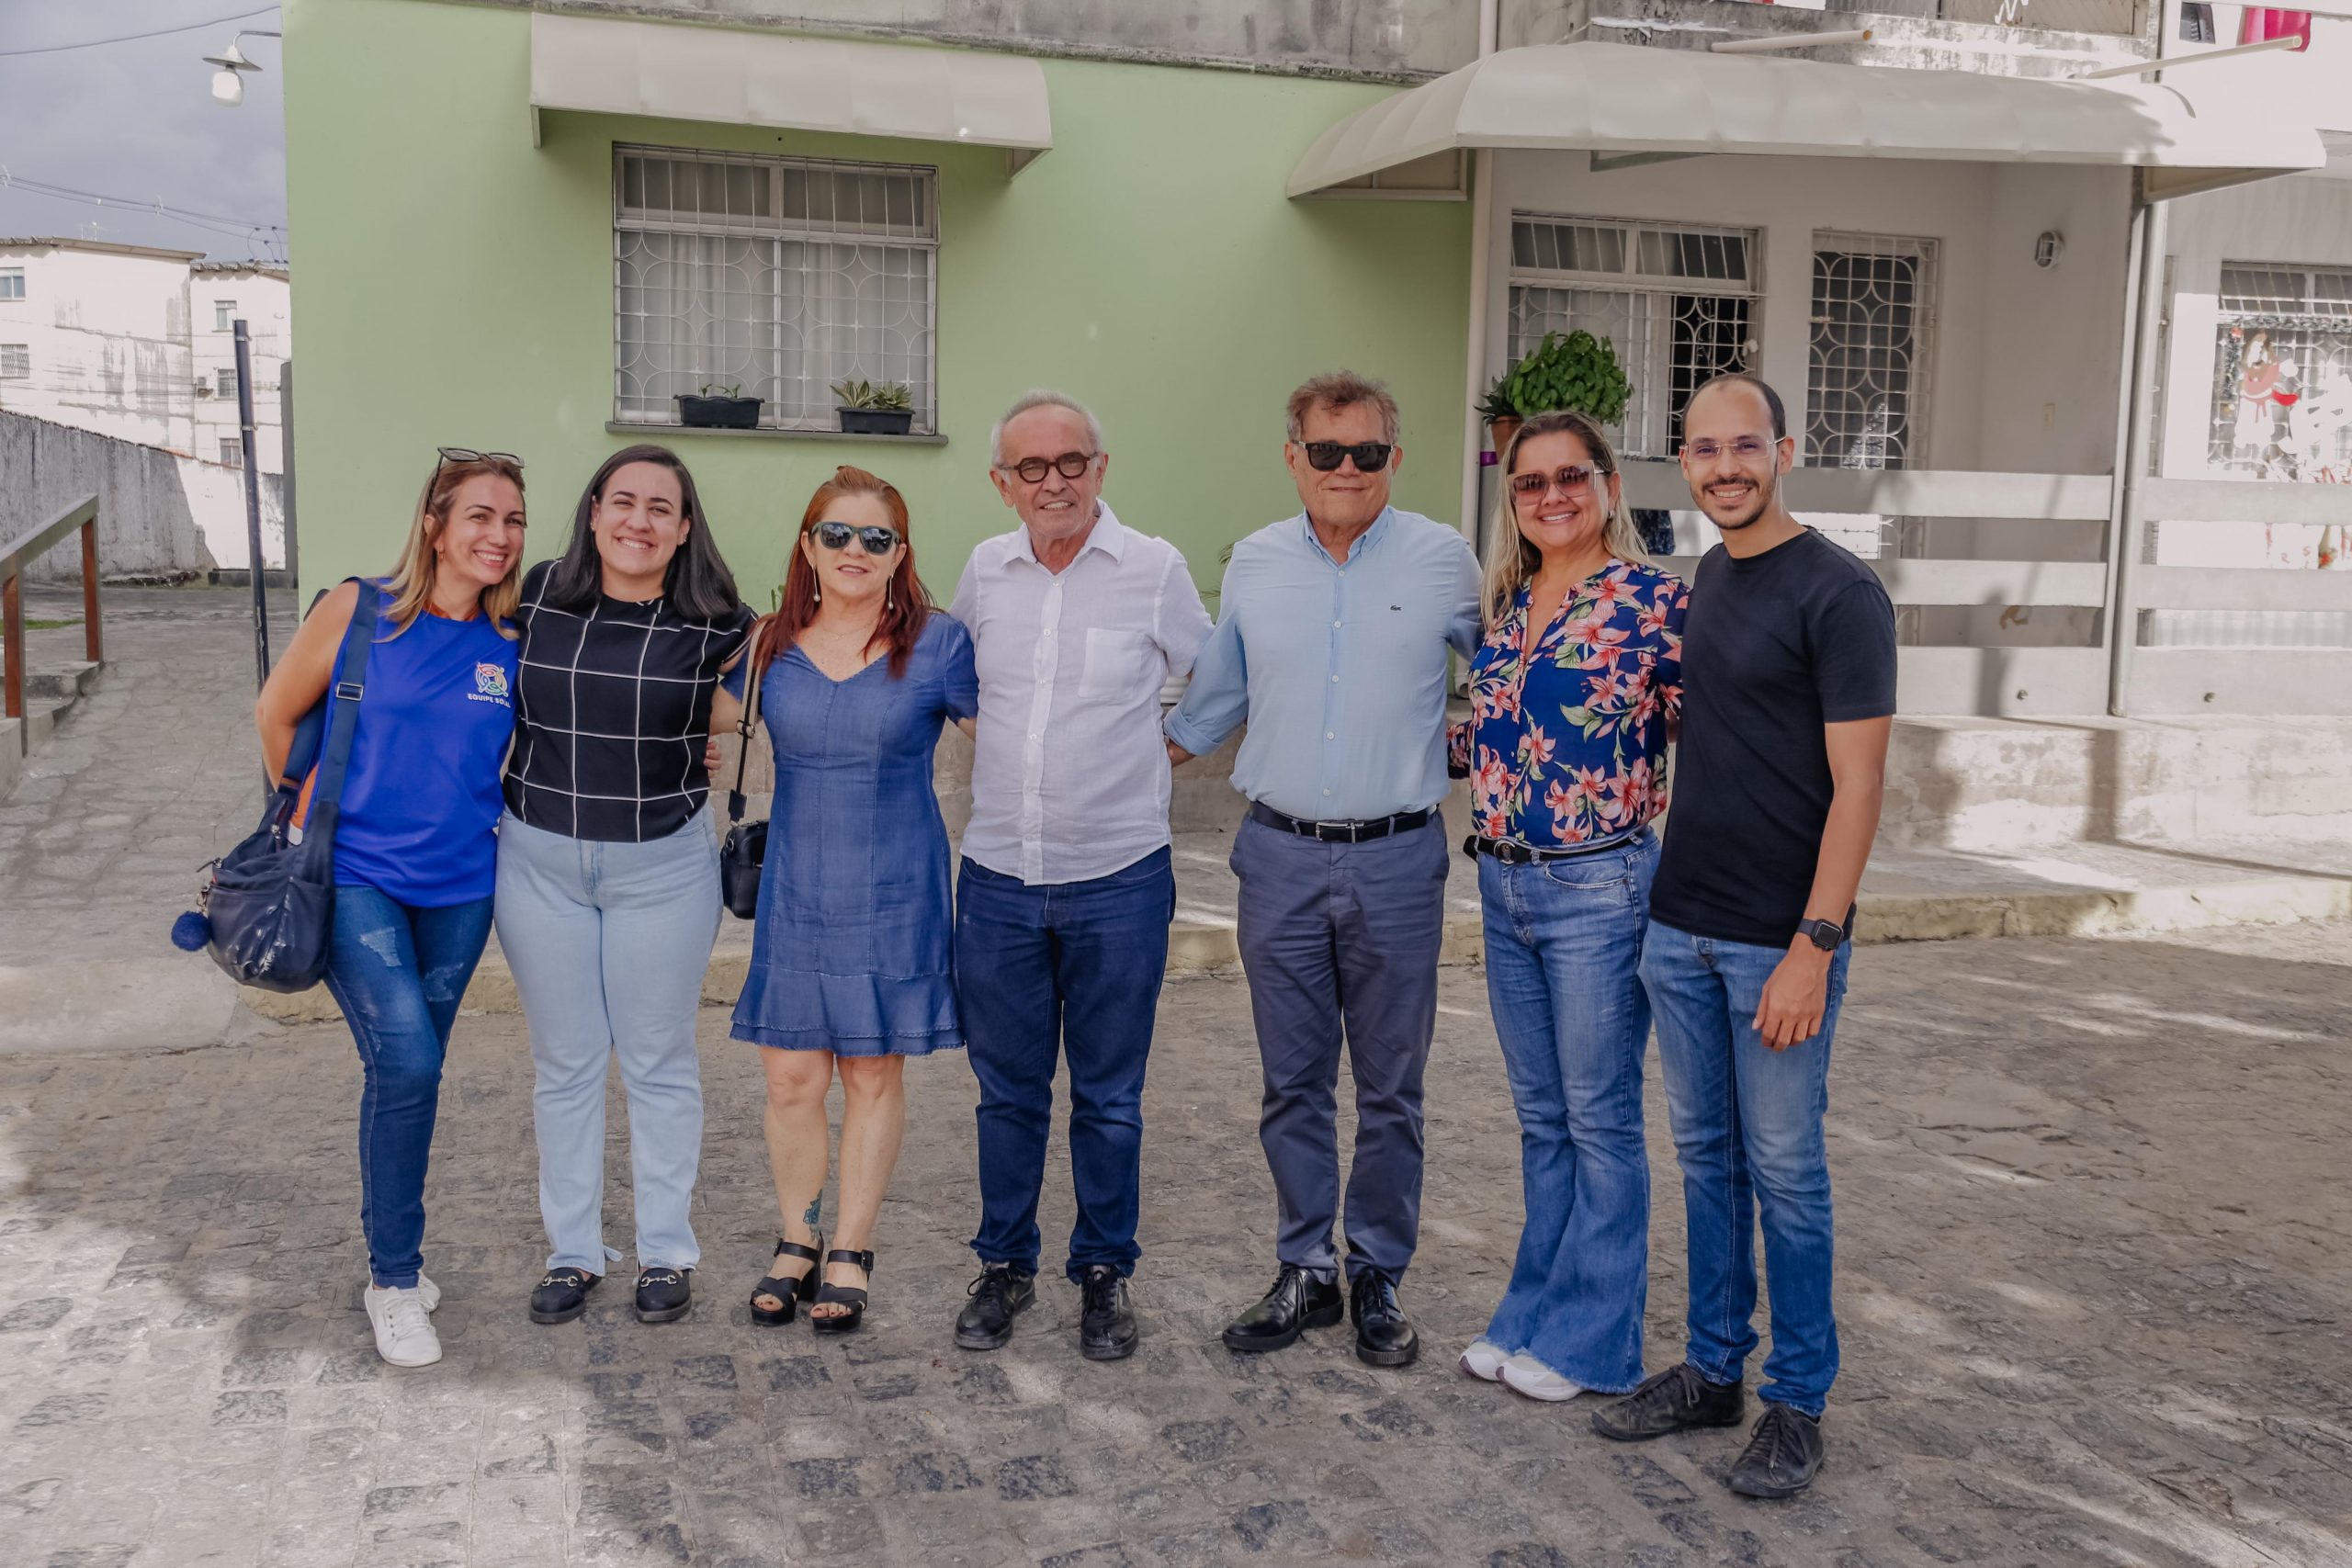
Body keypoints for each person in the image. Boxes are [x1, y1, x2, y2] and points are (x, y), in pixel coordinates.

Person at [1587, 373, 1895, 1501]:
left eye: (1744, 446)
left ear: (1784, 451)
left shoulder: (1840, 593)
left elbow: (1860, 788)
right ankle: (1714, 1368)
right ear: (1685, 462)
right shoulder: (1710, 576)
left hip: (1778, 942)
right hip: (1681, 928)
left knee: (1786, 1172)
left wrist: (1815, 944)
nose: (1724, 468)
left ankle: (1796, 1401)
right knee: (1709, 1164)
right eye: (1704, 450)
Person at [1166, 370, 1481, 1369]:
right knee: (1293, 1080)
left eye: (1368, 451)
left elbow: (1511, 672)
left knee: (1392, 1088)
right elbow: (1214, 700)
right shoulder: (1255, 563)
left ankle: (1378, 1272)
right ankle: (1305, 1266)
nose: (1347, 468)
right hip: (1279, 856)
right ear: (1293, 457)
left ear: (1395, 457)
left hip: (1398, 859)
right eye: (1327, 451)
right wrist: (1093, 762)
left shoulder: (1445, 559)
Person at [947, 390, 1213, 1361]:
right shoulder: (985, 570)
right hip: (999, 878)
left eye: (1071, 462)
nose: (1053, 481)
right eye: (1032, 467)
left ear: (1100, 468)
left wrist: (1161, 752)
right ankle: (1004, 1265)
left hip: (1118, 879)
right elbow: (955, 681)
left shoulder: (1154, 568)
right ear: (1002, 483)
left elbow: (1217, 676)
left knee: (1109, 1096)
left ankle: (1103, 1269)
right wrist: (998, 742)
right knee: (1006, 1093)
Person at [253, 447, 526, 1368]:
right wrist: (305, 815)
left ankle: (394, 1253)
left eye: (513, 520)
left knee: (410, 1074)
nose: (499, 535)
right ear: (436, 527)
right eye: (480, 516)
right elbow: (275, 713)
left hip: (463, 890)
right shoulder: (358, 610)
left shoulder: (512, 639)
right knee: (407, 1063)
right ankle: (394, 1279)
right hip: (356, 877)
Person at [1449, 411, 1688, 1404]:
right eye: (1530, 482)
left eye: (1570, 477)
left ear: (1607, 486)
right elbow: (1491, 738)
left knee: (1598, 1120)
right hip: (1502, 882)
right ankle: (1532, 1314)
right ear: (1512, 500)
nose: (1551, 495)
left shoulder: (1654, 604)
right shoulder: (1508, 608)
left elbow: (1715, 740)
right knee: (1542, 1120)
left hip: (1598, 885)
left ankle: (1593, 1343)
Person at [714, 465, 978, 1335]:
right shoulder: (768, 643)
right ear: (808, 545)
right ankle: (797, 1237)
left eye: (876, 537)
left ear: (900, 554)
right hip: (797, 885)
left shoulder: (939, 643)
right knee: (791, 1075)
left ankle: (851, 1249)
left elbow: (1013, 735)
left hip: (897, 886)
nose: (855, 549)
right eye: (837, 533)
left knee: (870, 1068)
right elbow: (695, 719)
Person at [496, 445, 754, 1329]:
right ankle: (571, 1252)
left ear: (684, 530)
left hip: (662, 869)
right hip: (539, 865)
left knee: (658, 1061)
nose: (638, 521)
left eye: (660, 508)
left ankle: (665, 1253)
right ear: (594, 510)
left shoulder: (721, 624)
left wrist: (707, 730)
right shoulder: (536, 595)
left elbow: (759, 699)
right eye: (623, 501)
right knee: (565, 1065)